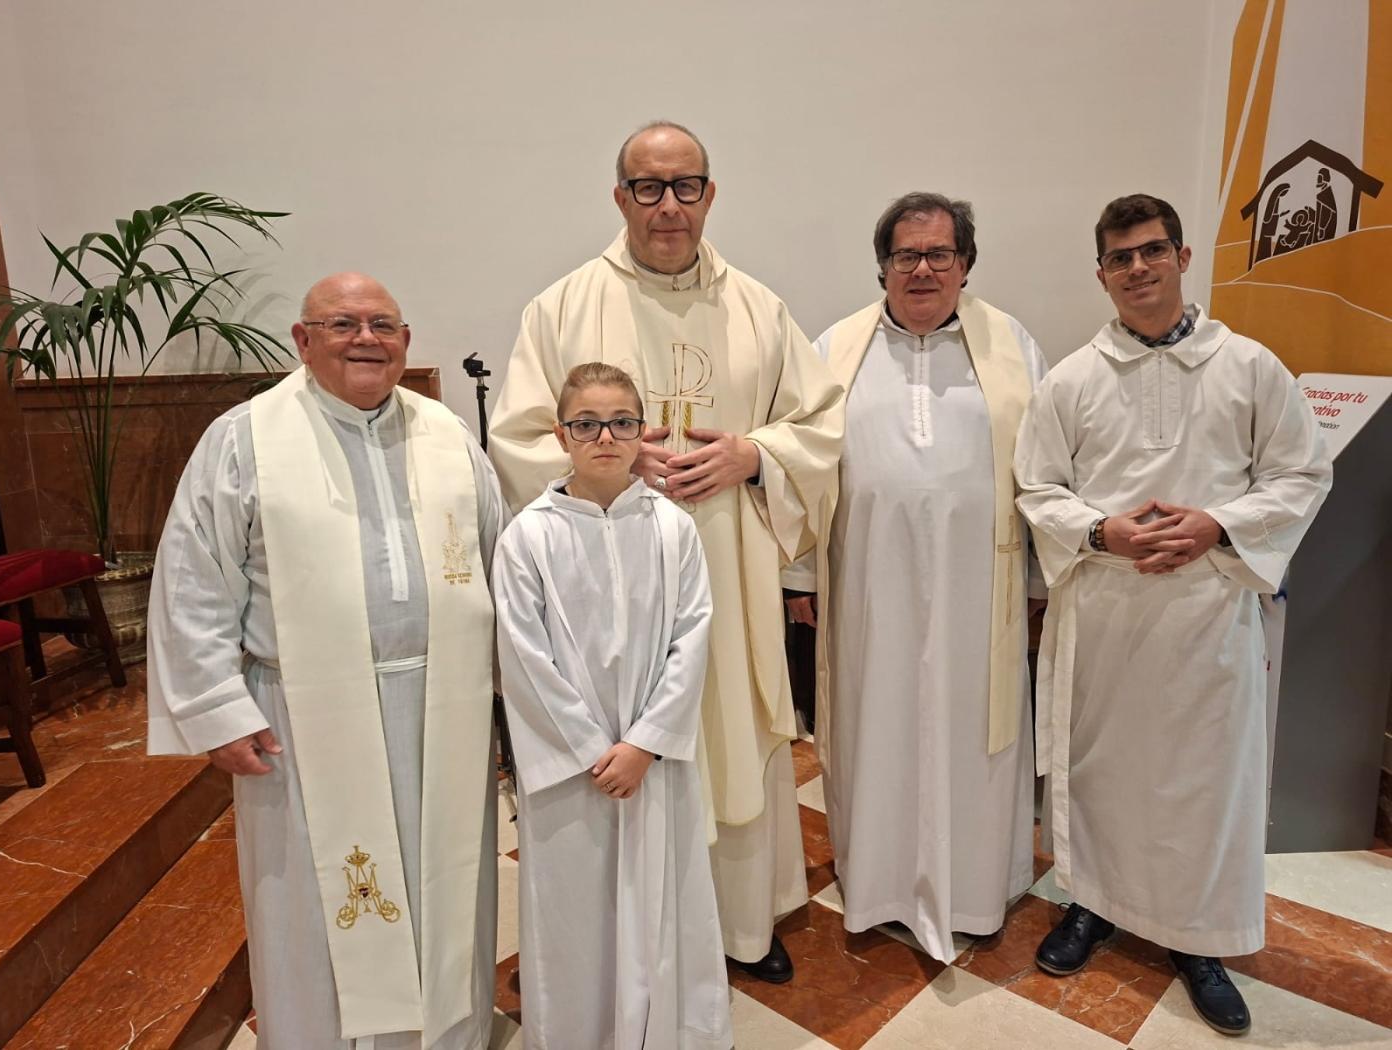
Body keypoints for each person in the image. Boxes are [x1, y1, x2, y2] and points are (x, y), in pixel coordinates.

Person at [488, 120, 844, 983]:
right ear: (620, 198)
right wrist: (614, 455)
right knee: (629, 732)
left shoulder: (760, 307)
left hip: (727, 558)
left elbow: (820, 426)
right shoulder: (562, 307)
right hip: (609, 582)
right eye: (648, 188)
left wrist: (753, 455)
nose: (668, 206)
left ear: (710, 194)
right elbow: (517, 433)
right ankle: (633, 935)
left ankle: (739, 927)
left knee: (725, 727)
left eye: (686, 186)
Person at [146, 273, 506, 1049]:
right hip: (302, 718)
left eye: (383, 323)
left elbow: (496, 560)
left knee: (447, 882)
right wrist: (216, 708)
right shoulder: (244, 440)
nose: (366, 338)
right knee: (316, 903)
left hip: (444, 709)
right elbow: (194, 580)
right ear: (302, 341)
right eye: (342, 323)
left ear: (407, 342)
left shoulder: (448, 436)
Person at [1014, 195, 1331, 1036]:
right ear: (1101, 275)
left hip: (1207, 611)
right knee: (1103, 768)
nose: (1139, 269)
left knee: (1203, 779)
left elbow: (1302, 475)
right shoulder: (1072, 379)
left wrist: (1218, 524)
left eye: (1153, 251)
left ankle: (1200, 938)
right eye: (1121, 258)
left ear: (1184, 257)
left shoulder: (1252, 367)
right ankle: (1092, 905)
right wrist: (1101, 530)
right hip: (1107, 611)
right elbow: (1036, 488)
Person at [784, 192, 1047, 962]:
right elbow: (802, 464)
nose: (923, 269)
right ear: (883, 266)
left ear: (965, 264)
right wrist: (800, 575)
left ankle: (973, 888)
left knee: (973, 725)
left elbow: (1046, 473)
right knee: (877, 716)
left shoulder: (1014, 346)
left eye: (940, 254)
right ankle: (881, 881)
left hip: (983, 592)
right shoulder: (834, 346)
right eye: (907, 255)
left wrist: (1036, 588)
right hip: (869, 585)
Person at [493, 362, 732, 1049]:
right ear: (562, 435)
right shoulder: (529, 537)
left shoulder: (671, 528)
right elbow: (524, 657)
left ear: (642, 431)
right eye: (587, 424)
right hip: (575, 771)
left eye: (622, 422)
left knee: (665, 894)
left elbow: (694, 635)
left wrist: (646, 743)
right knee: (575, 909)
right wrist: (597, 751)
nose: (606, 437)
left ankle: (672, 1030)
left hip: (654, 762)